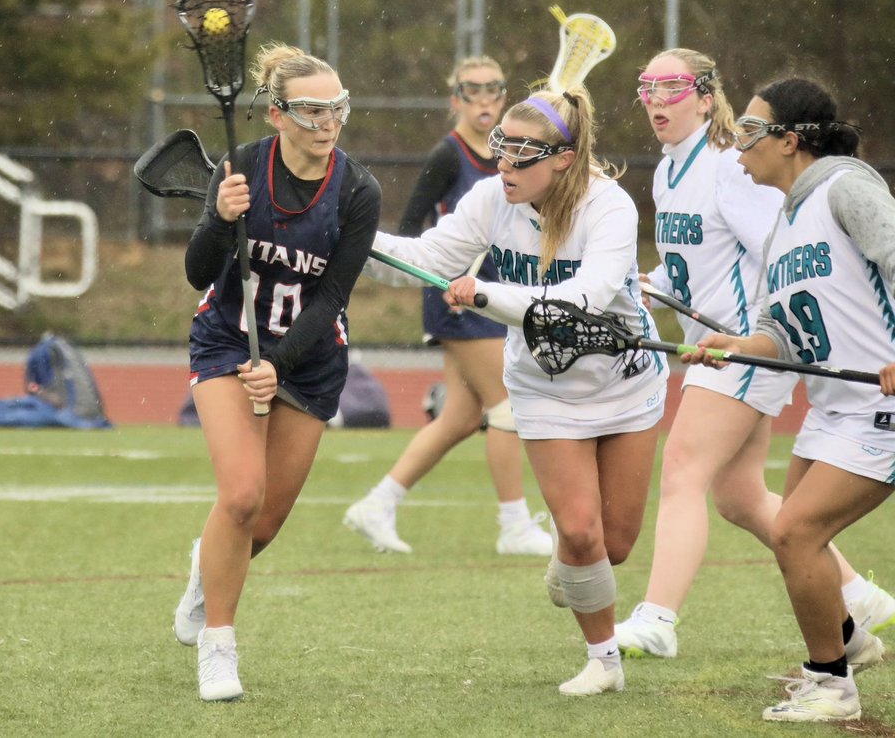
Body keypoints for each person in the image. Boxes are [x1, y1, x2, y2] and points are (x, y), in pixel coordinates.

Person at [364, 87, 668, 696]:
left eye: (521, 153)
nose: (503, 163)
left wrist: (486, 294)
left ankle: (575, 567)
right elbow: (426, 254)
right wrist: (352, 237)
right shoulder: (491, 198)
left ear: (563, 159)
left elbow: (587, 297)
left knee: (616, 545)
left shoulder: (608, 208)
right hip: (542, 385)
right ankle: (604, 661)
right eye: (500, 146)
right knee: (581, 532)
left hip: (624, 379)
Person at [615, 50, 895, 662]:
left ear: (705, 97)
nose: (656, 99)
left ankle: (657, 618)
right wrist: (645, 284)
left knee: (684, 468)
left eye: (672, 87)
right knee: (739, 497)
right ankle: (856, 607)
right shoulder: (669, 173)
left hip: (753, 346)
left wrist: (753, 340)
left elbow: (788, 256)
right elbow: (699, 268)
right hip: (735, 345)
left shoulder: (731, 170)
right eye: (647, 87)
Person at [171, 43, 382, 702]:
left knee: (259, 527)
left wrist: (280, 362)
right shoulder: (238, 170)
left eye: (337, 109)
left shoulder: (358, 190)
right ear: (276, 114)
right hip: (226, 341)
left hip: (309, 361)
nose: (328, 122)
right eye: (313, 110)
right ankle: (219, 646)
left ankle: (203, 571)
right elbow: (199, 271)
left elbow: (332, 297)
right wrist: (220, 218)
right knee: (240, 496)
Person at [683, 77, 895, 722]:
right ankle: (851, 645)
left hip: (879, 409)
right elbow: (783, 332)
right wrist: (736, 344)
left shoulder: (845, 188)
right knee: (789, 533)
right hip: (834, 408)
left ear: (791, 140)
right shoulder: (785, 220)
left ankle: (830, 684)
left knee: (799, 532)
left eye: (751, 131)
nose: (739, 145)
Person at [343, 56, 551, 557]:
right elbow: (413, 226)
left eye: (493, 89)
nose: (483, 98)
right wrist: (444, 277)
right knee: (507, 408)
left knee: (459, 418)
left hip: (498, 298)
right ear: (455, 99)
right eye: (471, 89)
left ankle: (377, 503)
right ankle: (514, 525)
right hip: (458, 302)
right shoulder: (448, 155)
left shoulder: (517, 156)